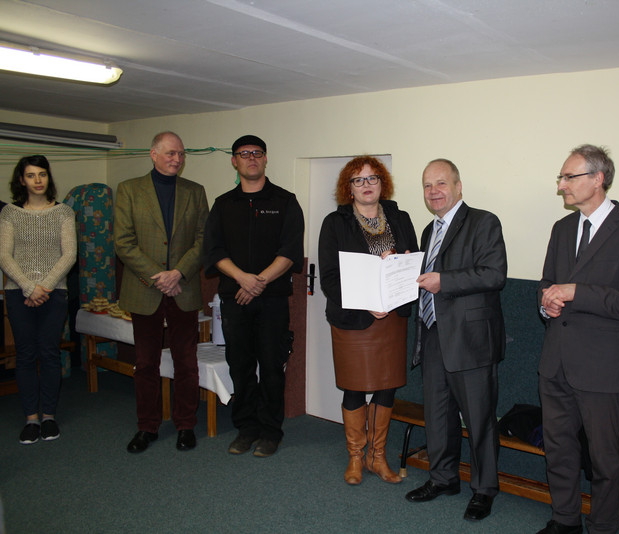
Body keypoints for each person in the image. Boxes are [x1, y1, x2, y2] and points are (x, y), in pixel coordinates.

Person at [537, 145, 619, 534]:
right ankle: (565, 520)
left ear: (598, 179)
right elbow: (547, 284)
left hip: (602, 369)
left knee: (605, 461)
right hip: (556, 361)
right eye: (561, 177)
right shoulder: (562, 229)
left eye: (569, 177)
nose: (561, 186)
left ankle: (603, 528)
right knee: (559, 451)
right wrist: (547, 304)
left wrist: (575, 292)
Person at [404, 159, 507, 522]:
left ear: (459, 187)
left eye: (441, 183)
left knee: (479, 419)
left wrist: (443, 281)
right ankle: (443, 478)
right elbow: (425, 276)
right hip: (433, 336)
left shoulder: (484, 222)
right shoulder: (428, 230)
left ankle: (484, 489)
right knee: (437, 415)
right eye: (428, 185)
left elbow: (494, 274)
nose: (434, 191)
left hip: (472, 339)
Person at [318, 156, 418, 485]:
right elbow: (330, 279)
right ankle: (356, 458)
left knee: (387, 387)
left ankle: (378, 457)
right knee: (354, 387)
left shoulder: (400, 218)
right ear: (348, 188)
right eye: (358, 180)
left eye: (372, 178)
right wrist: (366, 306)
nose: (366, 185)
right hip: (354, 320)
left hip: (392, 318)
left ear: (382, 183)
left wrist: (400, 265)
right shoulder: (335, 223)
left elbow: (412, 263)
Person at [203, 135, 304, 457]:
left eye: (257, 153)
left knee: (272, 368)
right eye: (244, 154)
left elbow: (290, 252)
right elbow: (214, 250)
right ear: (234, 161)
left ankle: (271, 432)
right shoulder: (223, 204)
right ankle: (246, 429)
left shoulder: (285, 201)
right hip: (234, 300)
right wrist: (242, 280)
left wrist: (258, 282)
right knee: (240, 366)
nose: (251, 158)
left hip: (272, 300)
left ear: (265, 159)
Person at [114, 131, 209, 453]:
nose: (177, 159)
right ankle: (147, 426)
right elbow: (123, 242)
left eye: (181, 154)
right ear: (153, 154)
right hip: (145, 289)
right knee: (146, 363)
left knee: (186, 361)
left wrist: (178, 272)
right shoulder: (129, 190)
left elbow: (202, 239)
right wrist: (159, 277)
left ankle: (185, 424)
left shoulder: (195, 192)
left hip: (184, 287)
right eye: (170, 153)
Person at [0, 155, 76, 444]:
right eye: (31, 175)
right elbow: (4, 255)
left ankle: (49, 418)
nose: (38, 180)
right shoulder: (9, 213)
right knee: (26, 355)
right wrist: (28, 287)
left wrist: (42, 286)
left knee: (49, 353)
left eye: (42, 174)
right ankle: (31, 418)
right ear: (21, 180)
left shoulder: (64, 213)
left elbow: (68, 254)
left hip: (54, 292)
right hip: (18, 294)